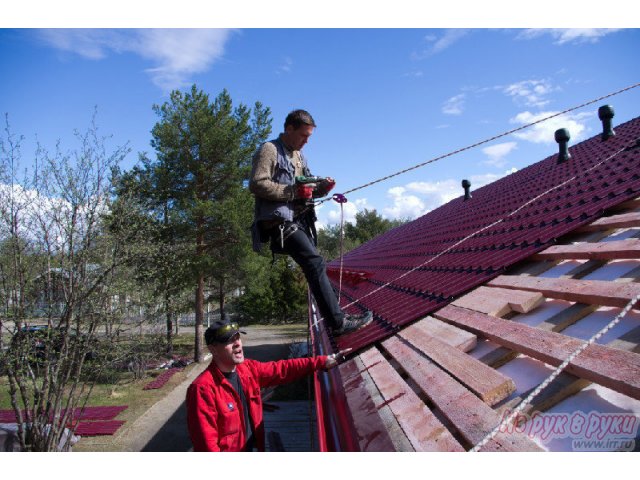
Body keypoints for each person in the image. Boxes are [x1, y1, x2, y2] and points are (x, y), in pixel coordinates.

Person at [249, 109, 372, 336]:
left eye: (309, 137)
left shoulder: (299, 156)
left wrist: (321, 188)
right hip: (278, 222)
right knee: (315, 263)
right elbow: (256, 184)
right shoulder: (269, 149)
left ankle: (338, 315)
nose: (306, 141)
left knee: (316, 265)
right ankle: (338, 324)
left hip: (299, 220)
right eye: (303, 136)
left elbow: (305, 190)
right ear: (289, 129)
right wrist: (293, 191)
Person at [186, 318, 348, 452]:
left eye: (237, 337)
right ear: (213, 349)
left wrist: (321, 361)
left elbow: (283, 369)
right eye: (229, 341)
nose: (237, 344)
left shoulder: (247, 370)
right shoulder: (202, 389)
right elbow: (206, 445)